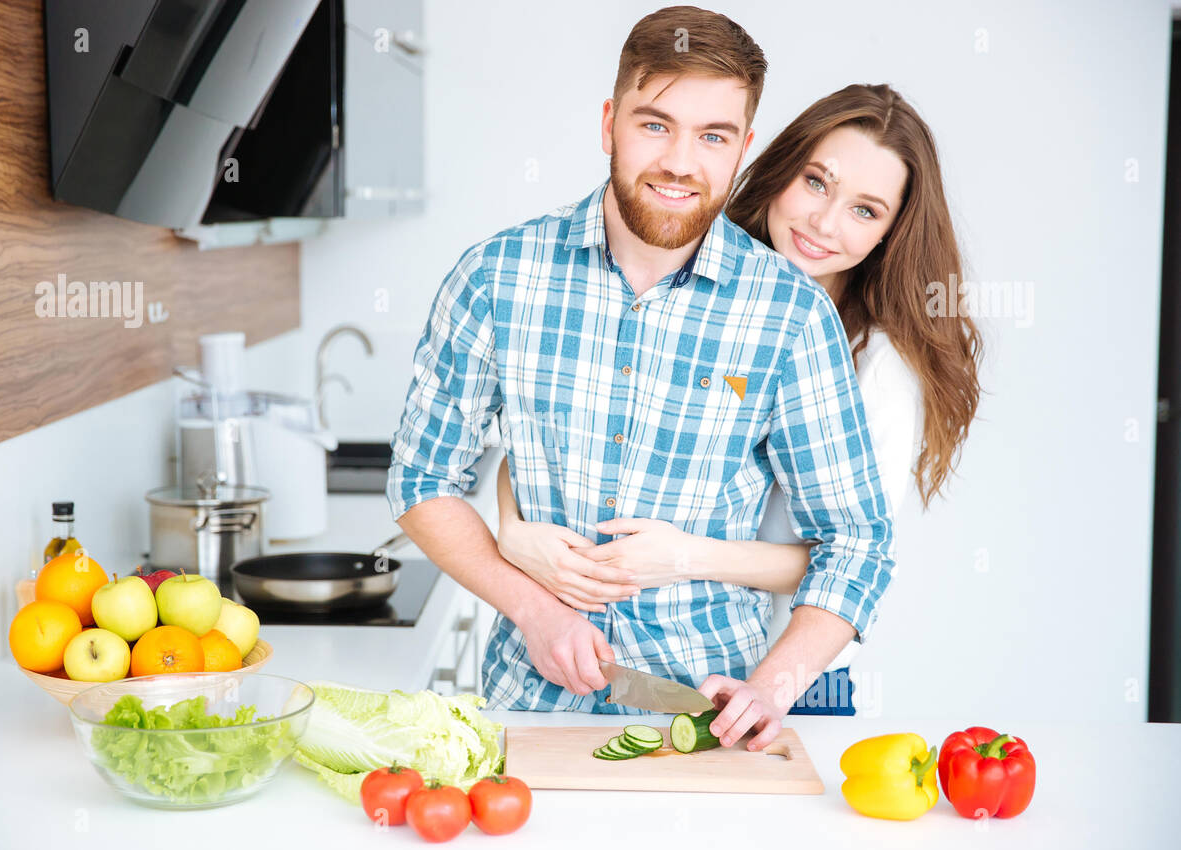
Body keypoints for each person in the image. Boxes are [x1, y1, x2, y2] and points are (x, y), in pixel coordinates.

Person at [387, 6, 895, 751]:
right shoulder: (496, 277)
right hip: (529, 711)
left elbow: (857, 544)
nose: (681, 162)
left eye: (713, 137)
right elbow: (421, 480)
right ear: (609, 124)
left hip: (707, 721)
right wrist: (534, 609)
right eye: (655, 125)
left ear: (743, 148)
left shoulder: (790, 315)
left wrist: (770, 686)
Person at [493, 83, 984, 717]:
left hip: (782, 679)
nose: (823, 222)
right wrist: (513, 531)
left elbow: (852, 549)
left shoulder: (880, 368)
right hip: (631, 672)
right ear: (780, 170)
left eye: (865, 210)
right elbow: (555, 434)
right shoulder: (686, 278)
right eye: (816, 183)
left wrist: (681, 557)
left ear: (892, 233)